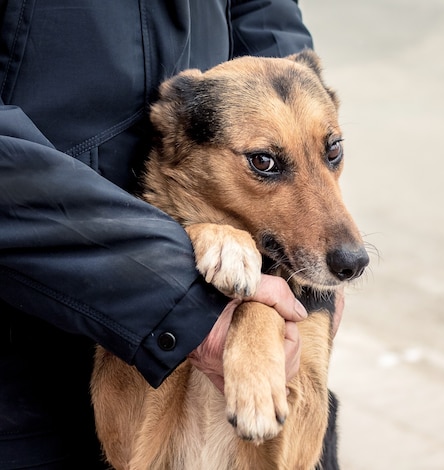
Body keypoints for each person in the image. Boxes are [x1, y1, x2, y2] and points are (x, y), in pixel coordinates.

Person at [0, 1, 342, 468]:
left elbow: (261, 9)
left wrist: (291, 103)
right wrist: (174, 292)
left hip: (220, 227)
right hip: (31, 329)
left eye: (334, 152)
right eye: (264, 161)